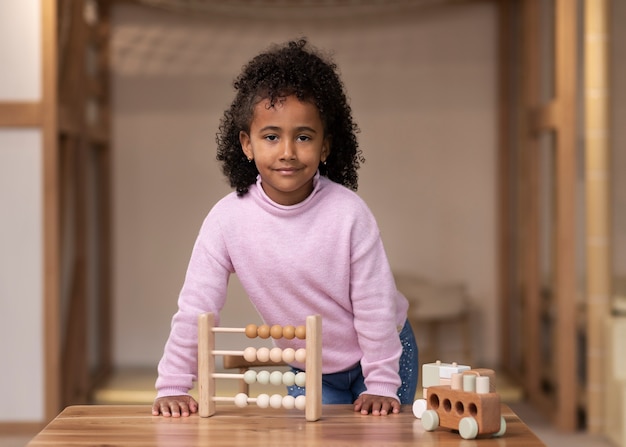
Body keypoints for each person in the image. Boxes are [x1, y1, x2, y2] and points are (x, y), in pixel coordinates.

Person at [152, 38, 418, 418]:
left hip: (382, 357)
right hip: (310, 366)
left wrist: (380, 383)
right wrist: (174, 384)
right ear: (247, 144)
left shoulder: (349, 214)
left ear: (325, 146)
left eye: (304, 137)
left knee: (379, 438)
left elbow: (375, 306)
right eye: (271, 136)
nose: (288, 151)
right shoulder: (227, 221)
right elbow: (196, 307)